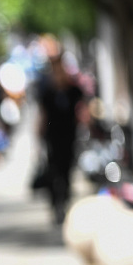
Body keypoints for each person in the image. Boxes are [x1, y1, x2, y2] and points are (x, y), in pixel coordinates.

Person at [35, 51, 86, 223]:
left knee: (67, 170)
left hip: (69, 136)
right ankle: (55, 204)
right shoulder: (47, 91)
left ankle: (64, 201)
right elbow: (42, 115)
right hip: (52, 137)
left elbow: (82, 110)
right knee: (53, 171)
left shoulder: (73, 90)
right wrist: (38, 137)